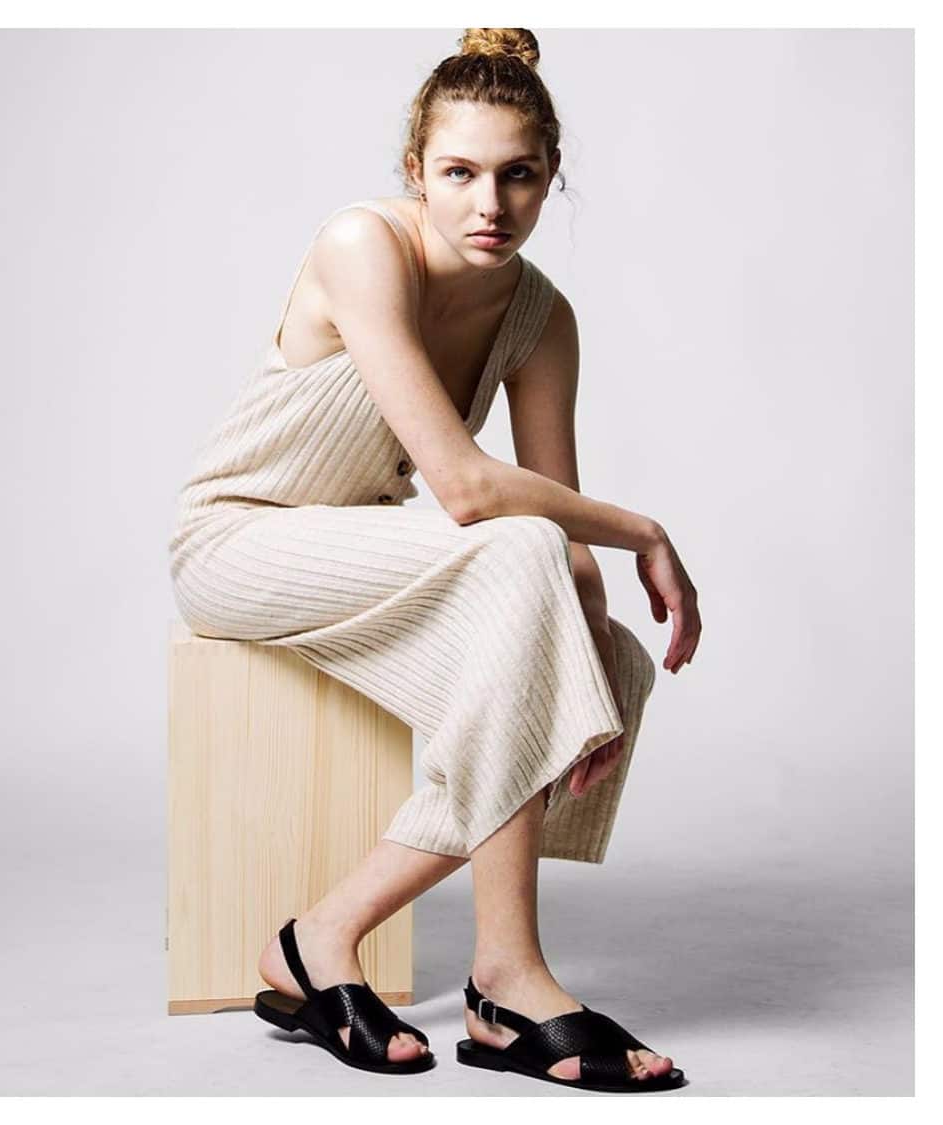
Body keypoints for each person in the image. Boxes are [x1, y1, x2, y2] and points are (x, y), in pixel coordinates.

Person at [169, 28, 701, 1092]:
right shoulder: (361, 245)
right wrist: (642, 531)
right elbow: (464, 490)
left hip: (378, 554)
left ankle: (356, 946)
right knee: (512, 563)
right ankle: (494, 974)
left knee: (606, 661)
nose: (487, 206)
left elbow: (548, 540)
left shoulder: (541, 317)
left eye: (517, 176)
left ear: (552, 178)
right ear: (413, 171)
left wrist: (582, 686)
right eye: (457, 174)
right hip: (239, 541)